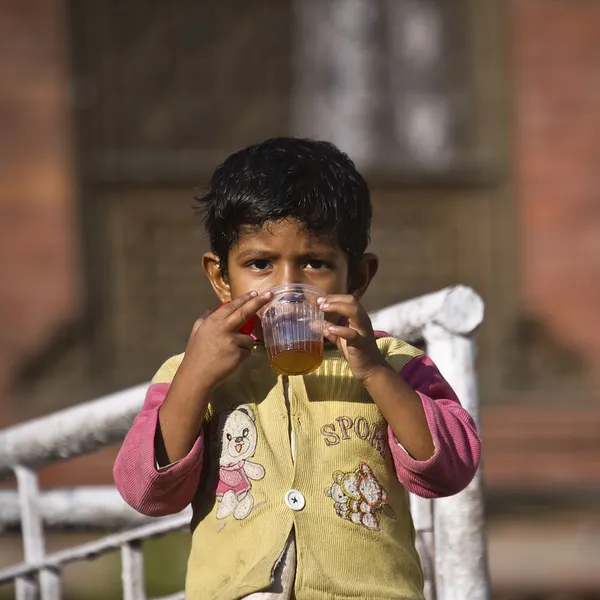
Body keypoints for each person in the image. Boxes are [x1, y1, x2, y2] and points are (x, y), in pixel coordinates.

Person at [114, 137, 481, 600]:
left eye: (315, 262)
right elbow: (145, 491)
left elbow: (451, 468)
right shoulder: (191, 371)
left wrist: (374, 373)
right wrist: (196, 377)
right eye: (260, 263)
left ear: (359, 277)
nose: (287, 286)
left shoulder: (394, 362)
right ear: (221, 278)